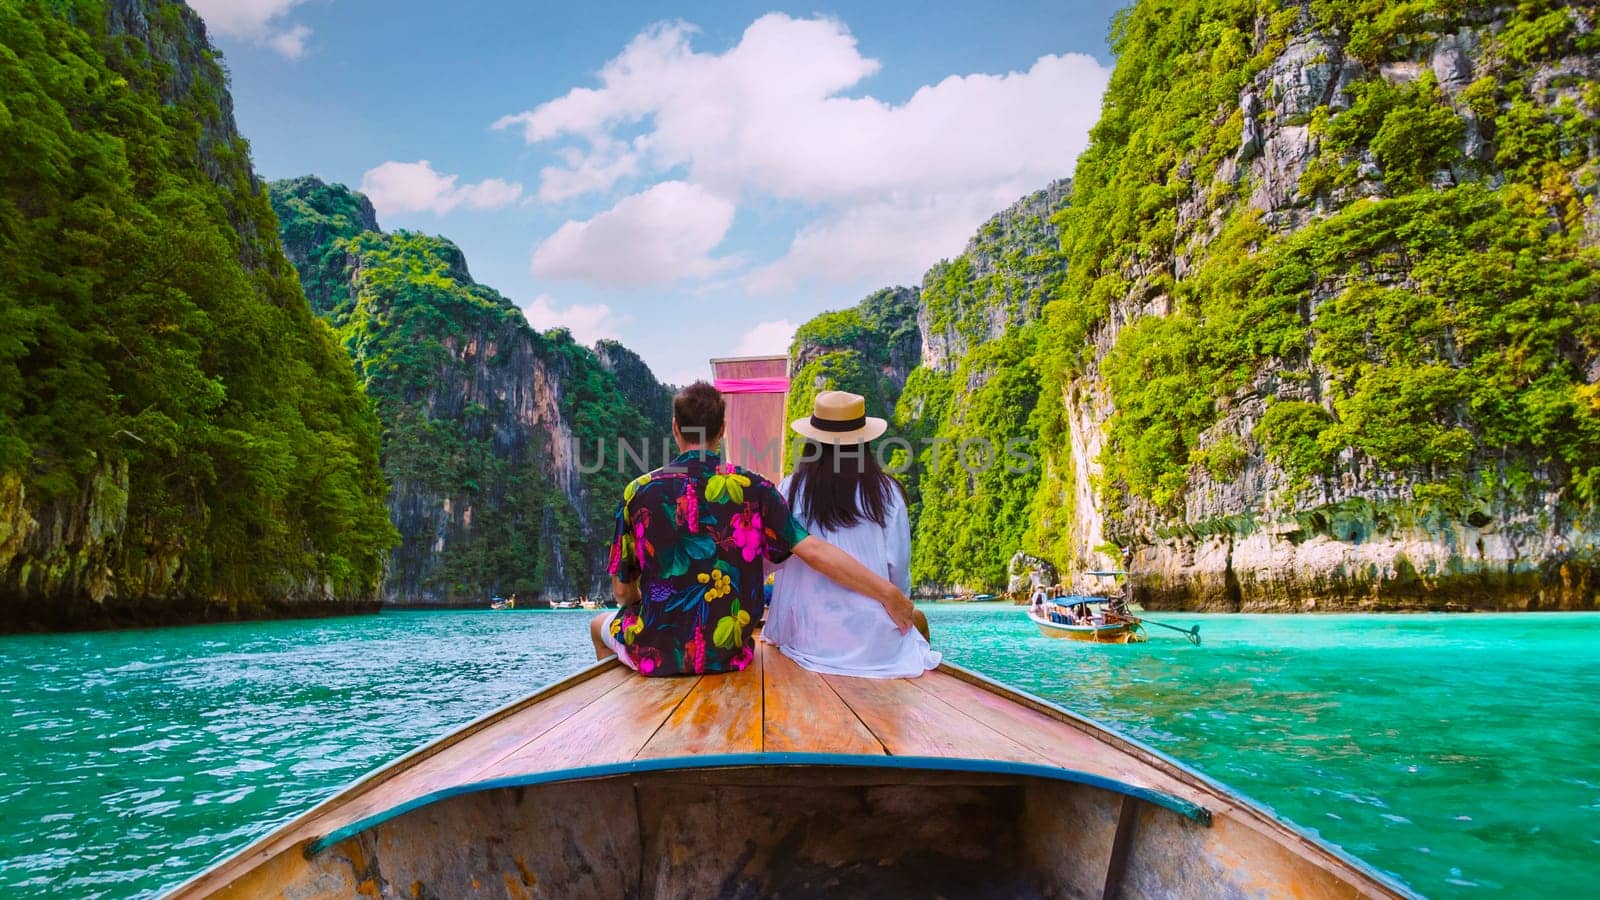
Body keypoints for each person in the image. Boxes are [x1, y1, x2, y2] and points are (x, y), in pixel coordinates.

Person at [589, 382, 915, 676]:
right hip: (730, 654)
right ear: (723, 430)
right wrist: (888, 594)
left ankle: (624, 703)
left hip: (656, 653)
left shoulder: (638, 491)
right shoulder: (756, 487)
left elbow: (623, 592)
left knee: (597, 625)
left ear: (675, 428)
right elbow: (809, 550)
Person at [762, 391, 940, 678]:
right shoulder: (886, 493)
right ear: (864, 440)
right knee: (918, 626)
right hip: (874, 645)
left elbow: (768, 561)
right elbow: (899, 574)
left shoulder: (789, 490)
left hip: (808, 639)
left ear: (812, 440)